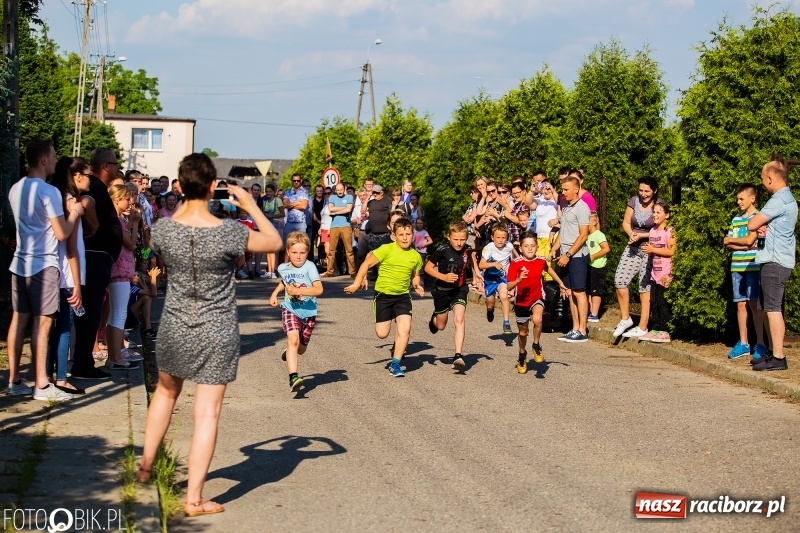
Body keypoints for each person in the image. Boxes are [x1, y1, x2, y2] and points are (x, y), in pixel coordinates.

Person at [137, 153, 283, 517]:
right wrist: (250, 203)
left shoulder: (163, 228)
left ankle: (145, 468)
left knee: (165, 394)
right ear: (211, 186)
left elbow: (151, 248)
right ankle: (193, 499)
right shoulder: (230, 232)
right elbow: (274, 243)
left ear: (181, 186)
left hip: (174, 324)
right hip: (216, 329)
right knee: (207, 414)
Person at [6, 140, 85, 401]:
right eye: (52, 156)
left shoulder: (16, 188)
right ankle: (41, 383)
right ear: (42, 159)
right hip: (44, 263)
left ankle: (14, 379)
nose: (54, 160)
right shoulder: (48, 191)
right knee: (44, 322)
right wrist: (75, 212)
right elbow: (62, 232)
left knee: (19, 320)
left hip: (19, 263)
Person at [344, 217, 425, 378]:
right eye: (401, 234)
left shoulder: (415, 256)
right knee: (382, 334)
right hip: (383, 296)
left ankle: (395, 362)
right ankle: (396, 342)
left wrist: (416, 285)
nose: (405, 237)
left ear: (412, 234)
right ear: (394, 235)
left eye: (408, 234)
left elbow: (415, 274)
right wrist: (356, 283)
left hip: (403, 296)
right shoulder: (386, 249)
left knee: (405, 328)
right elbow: (366, 263)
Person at [69, 147, 123, 381]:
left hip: (99, 256)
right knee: (91, 311)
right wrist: (95, 226)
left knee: (92, 310)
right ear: (105, 167)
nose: (117, 167)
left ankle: (83, 361)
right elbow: (86, 203)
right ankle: (83, 364)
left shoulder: (98, 186)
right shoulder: (95, 186)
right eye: (114, 163)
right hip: (95, 256)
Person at [747, 160, 797, 371]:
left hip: (775, 261)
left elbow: (752, 223)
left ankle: (778, 357)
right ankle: (771, 351)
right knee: (766, 307)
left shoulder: (779, 200)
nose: (763, 183)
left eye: (763, 179)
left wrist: (760, 224)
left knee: (773, 308)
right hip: (773, 258)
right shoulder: (787, 199)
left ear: (770, 178)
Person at [47, 156, 91, 396]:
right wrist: (77, 284)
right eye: (88, 174)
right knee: (64, 326)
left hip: (59, 270)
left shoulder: (59, 197)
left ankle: (49, 374)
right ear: (76, 176)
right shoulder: (71, 201)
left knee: (53, 326)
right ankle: (61, 377)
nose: (90, 179)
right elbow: (72, 247)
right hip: (66, 272)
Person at [269, 231, 323, 392]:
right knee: (293, 339)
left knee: (301, 349)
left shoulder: (310, 267)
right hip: (290, 309)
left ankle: (289, 351)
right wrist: (274, 294)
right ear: (287, 252)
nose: (298, 256)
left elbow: (319, 289)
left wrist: (301, 292)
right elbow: (284, 282)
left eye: (302, 253)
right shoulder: (283, 268)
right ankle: (293, 376)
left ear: (307, 252)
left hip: (309, 312)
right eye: (294, 253)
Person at [507, 231, 567, 373]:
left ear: (537, 247)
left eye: (532, 246)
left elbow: (549, 270)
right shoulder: (515, 264)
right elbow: (509, 286)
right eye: (526, 246)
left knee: (538, 319)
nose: (529, 248)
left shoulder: (540, 261)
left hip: (537, 297)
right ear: (520, 248)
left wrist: (561, 283)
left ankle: (536, 345)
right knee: (522, 332)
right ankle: (522, 355)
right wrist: (518, 280)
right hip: (521, 301)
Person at [611, 177, 660, 339]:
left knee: (643, 287)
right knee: (619, 280)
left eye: (647, 191)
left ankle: (643, 326)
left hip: (649, 249)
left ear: (654, 191)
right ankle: (626, 319)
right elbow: (626, 222)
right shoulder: (633, 201)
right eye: (641, 190)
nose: (643, 194)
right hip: (632, 247)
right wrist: (631, 233)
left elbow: (661, 228)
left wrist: (642, 235)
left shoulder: (658, 205)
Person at [425, 221, 479, 369]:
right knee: (441, 326)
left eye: (462, 239)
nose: (459, 243)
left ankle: (458, 355)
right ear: (449, 237)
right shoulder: (442, 250)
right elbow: (428, 268)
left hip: (459, 290)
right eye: (455, 239)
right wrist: (444, 277)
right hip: (442, 291)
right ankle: (434, 318)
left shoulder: (467, 250)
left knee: (459, 319)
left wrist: (478, 275)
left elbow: (473, 262)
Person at [723, 184, 766, 359]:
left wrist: (736, 241)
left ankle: (761, 343)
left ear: (752, 198)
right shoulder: (736, 219)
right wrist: (741, 242)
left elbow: (750, 241)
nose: (738, 202)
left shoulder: (759, 217)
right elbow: (727, 243)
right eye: (738, 199)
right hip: (737, 267)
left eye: (742, 199)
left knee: (754, 304)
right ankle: (744, 342)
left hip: (753, 267)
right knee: (740, 304)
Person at [105, 184, 143, 369]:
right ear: (117, 199)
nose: (130, 202)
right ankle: (116, 356)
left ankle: (113, 356)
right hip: (119, 272)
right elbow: (131, 244)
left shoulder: (117, 219)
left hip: (118, 272)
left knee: (114, 315)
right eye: (127, 199)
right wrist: (135, 223)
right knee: (118, 315)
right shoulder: (116, 220)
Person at [550, 175, 591, 343]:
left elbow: (583, 235)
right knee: (568, 291)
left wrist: (568, 255)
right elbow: (563, 231)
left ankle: (582, 329)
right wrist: (554, 248)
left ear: (576, 188)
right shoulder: (566, 207)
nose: (563, 192)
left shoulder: (582, 208)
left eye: (566, 189)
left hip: (577, 256)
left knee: (579, 292)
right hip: (564, 255)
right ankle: (574, 328)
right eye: (562, 189)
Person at [639, 204, 676, 343]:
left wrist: (653, 249)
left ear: (666, 215)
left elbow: (671, 251)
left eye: (658, 212)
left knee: (663, 303)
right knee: (653, 301)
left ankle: (665, 331)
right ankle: (655, 329)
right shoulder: (653, 231)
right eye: (653, 212)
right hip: (654, 273)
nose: (654, 214)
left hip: (666, 274)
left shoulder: (669, 231)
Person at [479, 224, 515, 334]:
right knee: (490, 303)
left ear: (507, 238)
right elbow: (481, 265)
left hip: (503, 277)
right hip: (490, 278)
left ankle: (506, 322)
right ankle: (490, 310)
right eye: (498, 237)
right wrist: (494, 264)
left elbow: (516, 259)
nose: (500, 240)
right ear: (492, 237)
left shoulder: (509, 246)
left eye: (503, 238)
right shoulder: (488, 248)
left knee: (504, 296)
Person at [323, 182, 355, 278]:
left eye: (341, 190)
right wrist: (343, 209)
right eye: (338, 190)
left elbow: (348, 210)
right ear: (335, 191)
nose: (340, 192)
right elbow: (330, 209)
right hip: (334, 226)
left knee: (349, 250)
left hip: (346, 225)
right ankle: (329, 271)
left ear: (344, 189)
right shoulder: (332, 197)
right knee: (332, 250)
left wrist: (335, 211)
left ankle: (352, 271)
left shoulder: (349, 197)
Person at [587, 212, 610, 322]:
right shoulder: (587, 236)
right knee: (589, 290)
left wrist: (593, 256)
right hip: (590, 267)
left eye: (588, 221)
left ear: (594, 222)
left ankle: (595, 313)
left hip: (598, 267)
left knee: (596, 291)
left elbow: (606, 248)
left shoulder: (599, 234)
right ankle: (591, 312)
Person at [128, 266, 161, 339]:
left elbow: (147, 291)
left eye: (138, 275)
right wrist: (153, 277)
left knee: (146, 297)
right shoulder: (130, 286)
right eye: (134, 276)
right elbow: (153, 293)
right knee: (146, 298)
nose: (136, 277)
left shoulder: (134, 286)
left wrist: (140, 281)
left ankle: (146, 327)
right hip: (127, 318)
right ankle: (147, 328)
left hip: (131, 316)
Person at [282, 173, 310, 252]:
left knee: (302, 244)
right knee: (288, 246)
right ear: (292, 181)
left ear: (300, 181)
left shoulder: (305, 192)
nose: (296, 182)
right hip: (290, 222)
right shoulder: (288, 192)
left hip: (301, 223)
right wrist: (298, 202)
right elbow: (285, 204)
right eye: (294, 180)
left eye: (298, 180)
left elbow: (304, 206)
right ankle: (287, 263)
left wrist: (290, 204)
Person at [261, 183, 283, 278]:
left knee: (273, 248)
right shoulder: (264, 201)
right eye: (267, 191)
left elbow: (282, 213)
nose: (268, 193)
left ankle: (273, 271)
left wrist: (272, 216)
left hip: (275, 223)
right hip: (267, 224)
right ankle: (269, 270)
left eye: (270, 191)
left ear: (274, 192)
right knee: (267, 248)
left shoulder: (277, 200)